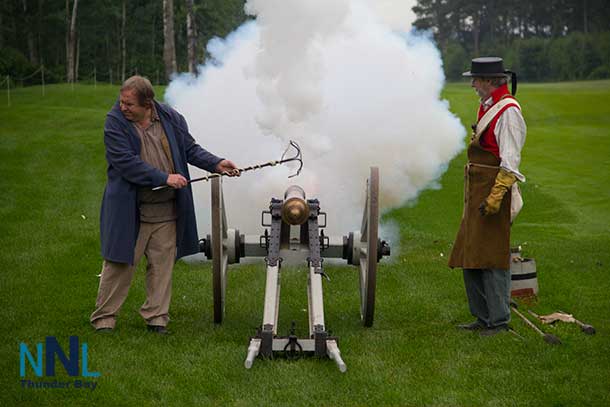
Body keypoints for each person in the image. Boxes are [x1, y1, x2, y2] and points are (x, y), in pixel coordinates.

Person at [90, 75, 239, 334]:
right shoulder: (114, 122)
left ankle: (156, 318)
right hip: (130, 209)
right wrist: (163, 178)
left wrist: (216, 163)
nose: (122, 107)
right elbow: (125, 163)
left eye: (129, 104)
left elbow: (189, 149)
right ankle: (104, 318)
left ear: (148, 104)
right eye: (121, 102)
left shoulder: (171, 118)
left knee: (162, 266)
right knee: (119, 265)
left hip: (166, 209)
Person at [448, 57, 526, 337]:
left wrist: (496, 196)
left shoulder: (508, 111)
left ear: (491, 81)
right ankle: (482, 317)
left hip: (495, 191)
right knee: (471, 253)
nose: (472, 84)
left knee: (492, 258)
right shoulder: (489, 106)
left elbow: (511, 158)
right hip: (479, 188)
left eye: (476, 79)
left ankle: (498, 321)